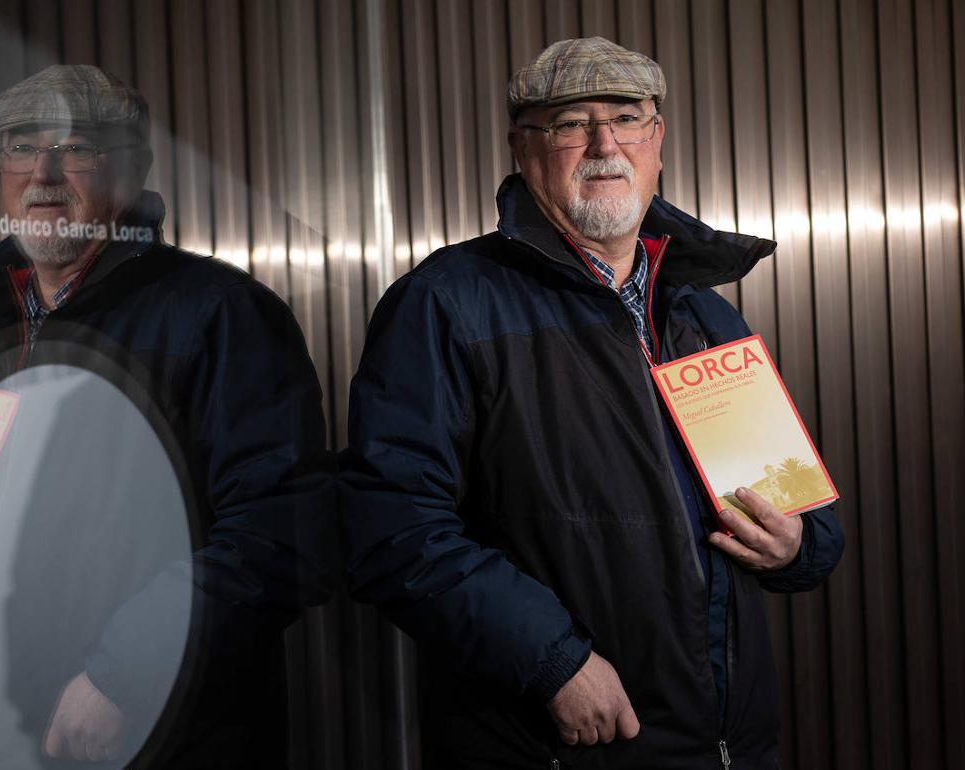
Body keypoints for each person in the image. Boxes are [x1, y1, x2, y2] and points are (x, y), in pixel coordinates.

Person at [341, 36, 844, 769]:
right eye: (571, 123)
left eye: (627, 118)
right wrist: (553, 662)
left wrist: (800, 544)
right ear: (524, 148)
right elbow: (391, 525)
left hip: (729, 746)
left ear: (658, 141)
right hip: (559, 744)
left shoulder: (703, 316)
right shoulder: (446, 303)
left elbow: (801, 506)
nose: (605, 143)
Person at [0, 64, 334, 768]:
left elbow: (285, 531)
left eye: (77, 148)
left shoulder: (220, 313)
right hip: (9, 732)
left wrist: (125, 675)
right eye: (20, 146)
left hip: (173, 733)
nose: (45, 171)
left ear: (131, 169)